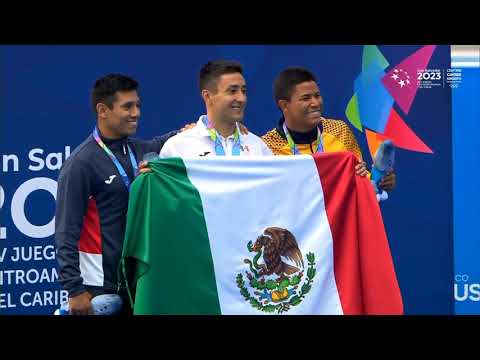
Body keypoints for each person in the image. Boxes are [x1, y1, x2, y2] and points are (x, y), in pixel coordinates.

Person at [55, 74, 184, 315]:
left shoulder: (137, 149)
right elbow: (65, 231)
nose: (136, 113)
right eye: (128, 106)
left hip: (138, 284)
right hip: (100, 290)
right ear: (103, 110)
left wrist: (195, 130)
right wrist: (74, 290)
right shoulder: (81, 163)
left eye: (138, 105)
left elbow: (165, 141)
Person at [261, 67, 396, 190]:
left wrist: (379, 181)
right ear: (284, 105)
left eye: (317, 95)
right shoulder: (267, 147)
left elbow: (360, 180)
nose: (315, 103)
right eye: (306, 98)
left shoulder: (339, 130)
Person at [159, 60, 272, 158]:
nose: (241, 98)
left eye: (243, 91)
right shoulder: (177, 147)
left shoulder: (258, 147)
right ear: (208, 96)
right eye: (232, 91)